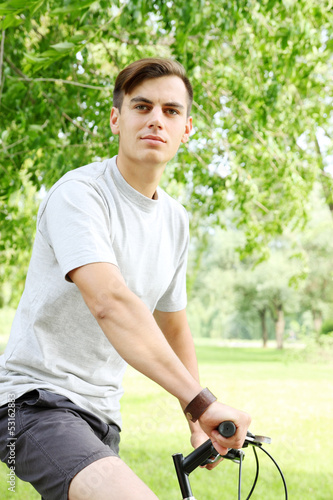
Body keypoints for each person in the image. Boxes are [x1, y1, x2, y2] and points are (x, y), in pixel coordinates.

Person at [0, 58, 251, 500]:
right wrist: (203, 403)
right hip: (33, 403)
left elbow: (173, 326)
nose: (156, 119)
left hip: (101, 418)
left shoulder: (175, 220)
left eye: (171, 111)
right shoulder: (80, 195)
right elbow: (110, 302)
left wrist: (197, 426)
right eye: (142, 106)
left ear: (186, 129)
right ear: (117, 119)